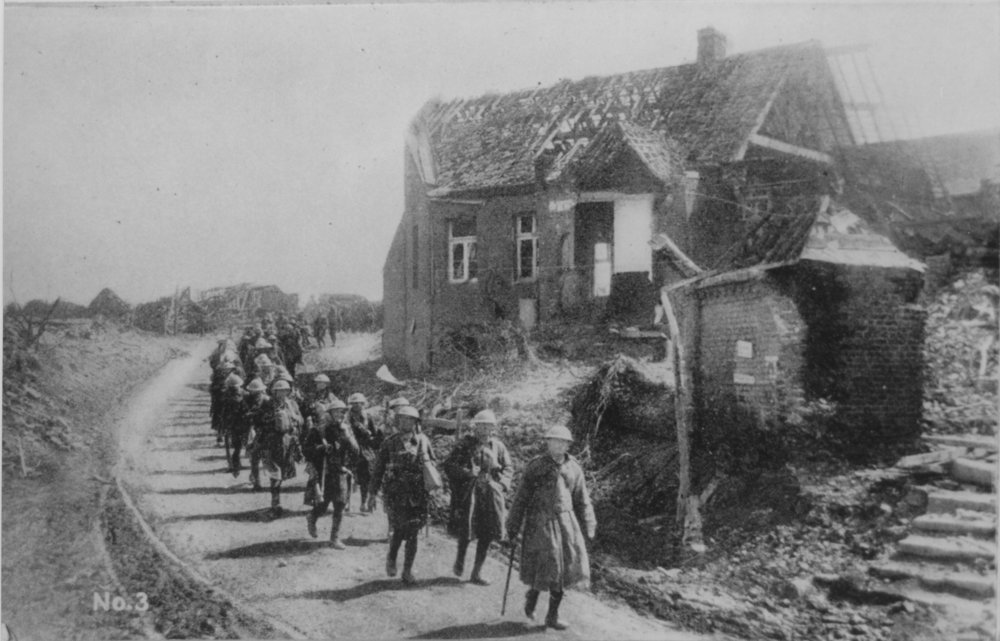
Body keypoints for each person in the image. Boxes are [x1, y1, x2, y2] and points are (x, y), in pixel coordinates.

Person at [505, 425, 596, 631]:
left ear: (568, 445)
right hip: (540, 522)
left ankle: (552, 616)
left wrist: (589, 523)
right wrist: (512, 525)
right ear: (547, 442)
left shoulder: (574, 468)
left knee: (563, 570)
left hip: (566, 523)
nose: (559, 445)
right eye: (555, 441)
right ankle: (533, 596)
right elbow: (521, 498)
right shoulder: (535, 466)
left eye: (563, 442)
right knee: (547, 565)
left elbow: (582, 499)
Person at [367, 406, 435, 584]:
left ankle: (407, 570)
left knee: (413, 533)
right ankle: (392, 557)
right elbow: (378, 470)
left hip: (417, 494)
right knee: (398, 530)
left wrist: (430, 481)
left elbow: (433, 466)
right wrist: (372, 493)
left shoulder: (423, 441)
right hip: (396, 494)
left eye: (411, 420)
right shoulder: (390, 442)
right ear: (398, 422)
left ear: (416, 423)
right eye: (403, 419)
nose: (407, 423)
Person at [443, 409, 512, 585]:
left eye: (488, 426)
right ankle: (460, 558)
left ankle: (476, 573)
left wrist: (502, 484)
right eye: (481, 425)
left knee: (487, 533)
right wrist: (466, 473)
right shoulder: (464, 444)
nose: (484, 429)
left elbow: (508, 468)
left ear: (493, 428)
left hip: (490, 494)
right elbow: (449, 465)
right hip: (469, 492)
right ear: (475, 426)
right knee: (466, 529)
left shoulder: (498, 446)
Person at [302, 399, 357, 548]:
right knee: (323, 504)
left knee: (340, 504)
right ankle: (312, 517)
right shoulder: (319, 430)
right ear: (330, 413)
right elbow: (306, 450)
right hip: (324, 472)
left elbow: (355, 451)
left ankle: (334, 538)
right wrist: (321, 448)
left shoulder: (346, 429)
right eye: (338, 411)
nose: (341, 414)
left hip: (341, 472)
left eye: (343, 412)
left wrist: (347, 436)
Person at [260, 379, 303, 515]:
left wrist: (293, 417)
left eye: (285, 390)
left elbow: (300, 420)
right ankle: (275, 503)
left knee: (283, 473)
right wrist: (275, 418)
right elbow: (260, 420)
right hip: (272, 442)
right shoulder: (268, 404)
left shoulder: (292, 404)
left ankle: (276, 502)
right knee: (275, 474)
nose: (282, 393)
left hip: (287, 442)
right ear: (274, 391)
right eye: (279, 391)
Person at [347, 392, 382, 513]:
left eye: (359, 403)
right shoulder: (347, 417)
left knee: (367, 476)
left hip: (365, 449)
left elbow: (374, 432)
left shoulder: (368, 416)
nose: (357, 406)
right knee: (347, 474)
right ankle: (346, 502)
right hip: (350, 447)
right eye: (354, 403)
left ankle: (364, 502)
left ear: (363, 404)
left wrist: (370, 436)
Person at [242, 377, 270, 491]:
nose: (255, 393)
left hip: (262, 432)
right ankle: (256, 482)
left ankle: (257, 481)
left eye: (256, 391)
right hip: (253, 431)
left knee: (258, 457)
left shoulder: (267, 400)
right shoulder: (248, 400)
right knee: (254, 458)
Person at [219, 372, 246, 476]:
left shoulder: (225, 395)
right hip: (240, 424)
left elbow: (223, 412)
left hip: (231, 424)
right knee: (238, 447)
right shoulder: (242, 395)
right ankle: (235, 466)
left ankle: (235, 465)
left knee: (236, 446)